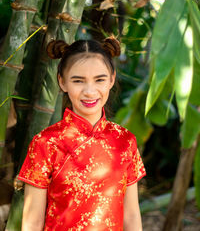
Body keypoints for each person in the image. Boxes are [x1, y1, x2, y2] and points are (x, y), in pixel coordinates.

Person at [18, 36, 146, 231]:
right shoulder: (46, 142)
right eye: (78, 80)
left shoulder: (125, 141)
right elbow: (32, 222)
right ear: (62, 82)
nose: (89, 91)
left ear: (111, 79)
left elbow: (131, 215)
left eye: (99, 79)